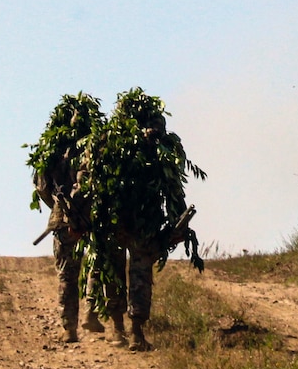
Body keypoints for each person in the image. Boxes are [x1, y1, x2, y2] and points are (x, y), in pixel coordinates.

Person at [81, 89, 205, 351]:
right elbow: (172, 188)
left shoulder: (106, 142)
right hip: (132, 223)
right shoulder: (150, 147)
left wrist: (178, 222)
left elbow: (87, 182)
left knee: (120, 275)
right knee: (133, 275)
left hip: (128, 223)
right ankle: (129, 331)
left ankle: (124, 331)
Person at [28, 93, 107, 342]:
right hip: (92, 219)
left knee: (67, 275)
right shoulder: (96, 148)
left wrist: (57, 207)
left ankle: (69, 328)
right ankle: (90, 312)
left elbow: (41, 187)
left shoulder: (52, 153)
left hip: (63, 221)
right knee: (97, 265)